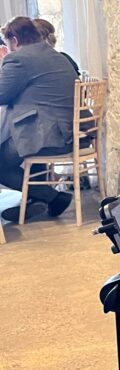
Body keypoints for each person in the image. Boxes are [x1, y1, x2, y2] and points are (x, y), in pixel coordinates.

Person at [0, 16, 76, 222]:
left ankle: (52, 197)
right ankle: (37, 200)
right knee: (24, 135)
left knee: (1, 160)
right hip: (70, 131)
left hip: (50, 136)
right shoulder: (54, 54)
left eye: (6, 43)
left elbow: (2, 94)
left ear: (14, 40)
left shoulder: (18, 58)